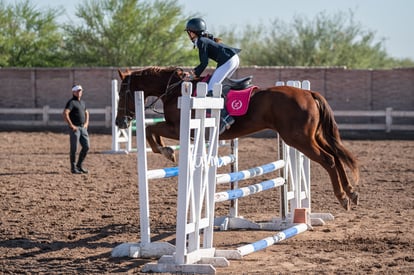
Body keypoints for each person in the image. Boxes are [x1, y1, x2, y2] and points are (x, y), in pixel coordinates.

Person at [184, 17, 241, 134]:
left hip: (228, 60)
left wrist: (193, 75)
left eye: (188, 32)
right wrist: (194, 73)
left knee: (210, 89)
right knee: (219, 87)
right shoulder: (204, 40)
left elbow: (204, 63)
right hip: (233, 59)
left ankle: (225, 118)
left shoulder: (201, 41)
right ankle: (226, 111)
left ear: (192, 32)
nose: (188, 35)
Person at [62, 84, 90, 174]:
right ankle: (73, 168)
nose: (79, 92)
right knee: (74, 148)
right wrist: (71, 125)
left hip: (83, 128)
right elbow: (65, 113)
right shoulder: (71, 102)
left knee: (86, 146)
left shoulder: (83, 102)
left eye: (80, 90)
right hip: (75, 128)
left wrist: (86, 123)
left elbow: (87, 112)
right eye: (77, 91)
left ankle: (79, 165)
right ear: (73, 92)